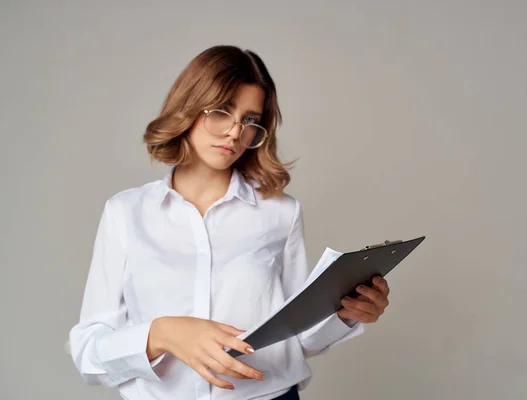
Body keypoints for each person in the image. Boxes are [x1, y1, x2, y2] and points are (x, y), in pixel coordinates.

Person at [67, 45, 391, 400]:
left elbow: (296, 335)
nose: (236, 132)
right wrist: (164, 333)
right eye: (222, 111)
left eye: (250, 120)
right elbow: (88, 351)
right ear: (188, 107)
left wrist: (346, 314)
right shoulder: (126, 213)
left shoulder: (280, 213)